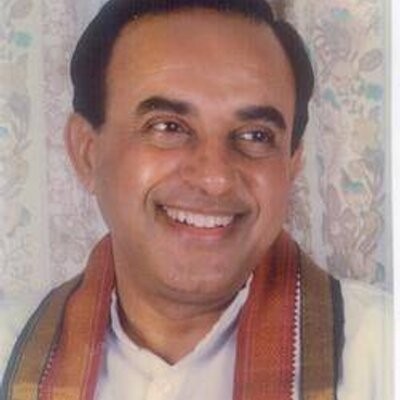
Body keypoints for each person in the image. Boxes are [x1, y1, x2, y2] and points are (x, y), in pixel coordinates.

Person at [0, 0, 392, 399]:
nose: (215, 179)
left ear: (292, 165)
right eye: (168, 127)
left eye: (256, 135)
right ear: (87, 153)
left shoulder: (381, 356)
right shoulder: (10, 351)